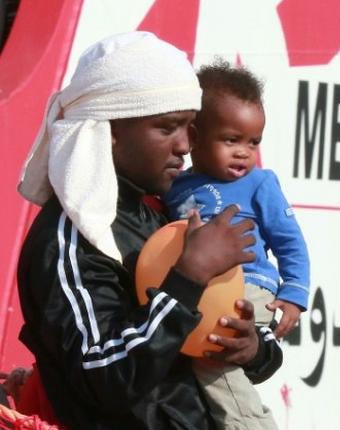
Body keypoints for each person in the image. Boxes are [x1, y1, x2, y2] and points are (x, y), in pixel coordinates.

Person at [15, 31, 282, 429]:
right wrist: (187, 279)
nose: (184, 146)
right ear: (112, 130)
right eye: (167, 127)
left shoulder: (161, 219)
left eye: (190, 127)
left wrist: (252, 347)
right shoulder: (70, 239)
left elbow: (258, 360)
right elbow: (104, 375)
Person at [163, 59, 309, 429]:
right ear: (194, 137)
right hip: (197, 289)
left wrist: (293, 294)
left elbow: (290, 242)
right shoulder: (174, 185)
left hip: (249, 287)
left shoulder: (260, 184)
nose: (245, 152)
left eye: (253, 142)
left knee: (214, 352)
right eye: (232, 140)